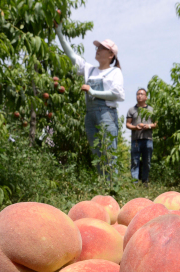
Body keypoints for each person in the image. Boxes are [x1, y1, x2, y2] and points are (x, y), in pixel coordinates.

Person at [55, 23, 125, 174]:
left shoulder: (115, 72)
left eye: (101, 48)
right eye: (97, 47)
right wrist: (59, 31)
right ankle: (103, 188)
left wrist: (93, 91)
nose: (97, 50)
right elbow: (71, 55)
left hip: (106, 114)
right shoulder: (89, 69)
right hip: (90, 114)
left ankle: (113, 191)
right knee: (97, 154)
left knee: (109, 154)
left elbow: (118, 94)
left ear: (110, 55)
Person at [126, 88, 156, 184]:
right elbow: (128, 124)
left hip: (148, 139)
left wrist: (148, 126)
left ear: (146, 97)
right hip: (136, 140)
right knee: (135, 162)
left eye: (142, 94)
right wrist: (135, 127)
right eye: (138, 94)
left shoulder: (151, 110)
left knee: (147, 161)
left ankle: (145, 181)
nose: (139, 95)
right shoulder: (131, 110)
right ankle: (134, 183)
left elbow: (156, 124)